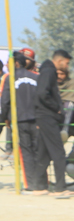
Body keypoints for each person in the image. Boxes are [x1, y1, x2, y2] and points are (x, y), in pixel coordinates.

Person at [32, 49, 73, 196]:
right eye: (66, 63)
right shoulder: (49, 71)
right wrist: (56, 108)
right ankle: (60, 188)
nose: (67, 66)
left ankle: (39, 186)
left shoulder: (46, 70)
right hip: (47, 116)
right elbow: (42, 93)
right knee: (58, 152)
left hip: (44, 116)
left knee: (43, 154)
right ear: (60, 61)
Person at [0, 50, 39, 190]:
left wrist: (4, 119)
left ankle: (31, 184)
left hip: (19, 121)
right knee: (38, 151)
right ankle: (41, 183)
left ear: (16, 63)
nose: (6, 65)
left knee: (26, 153)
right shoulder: (36, 77)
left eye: (8, 63)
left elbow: (5, 101)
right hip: (37, 120)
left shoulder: (9, 78)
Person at [56, 64, 74, 141]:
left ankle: (64, 130)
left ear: (66, 74)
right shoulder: (50, 82)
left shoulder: (72, 83)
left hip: (68, 112)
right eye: (57, 74)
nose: (59, 76)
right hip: (54, 108)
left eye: (62, 74)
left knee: (69, 104)